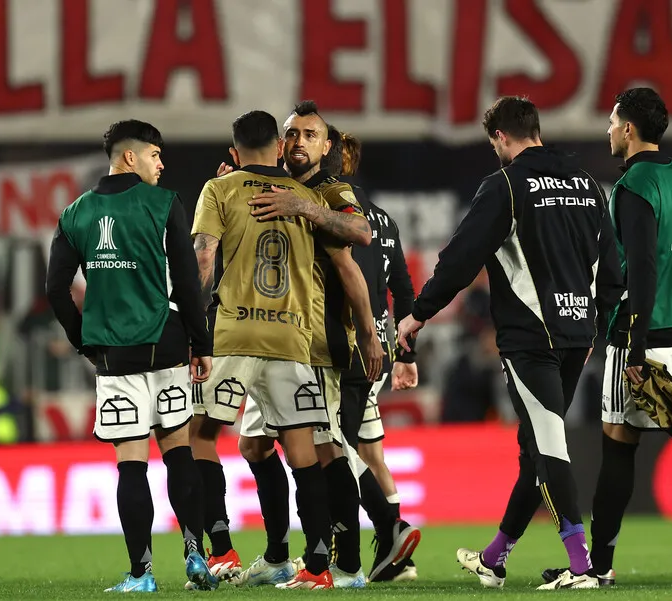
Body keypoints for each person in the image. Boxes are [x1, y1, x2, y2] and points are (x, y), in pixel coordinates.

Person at [397, 96, 623, 591]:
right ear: (535, 129)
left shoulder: (505, 185)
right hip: (576, 333)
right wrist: (598, 328)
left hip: (529, 336)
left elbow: (460, 259)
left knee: (547, 441)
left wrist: (418, 314)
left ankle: (582, 568)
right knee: (536, 447)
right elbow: (612, 266)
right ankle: (495, 558)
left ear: (500, 137)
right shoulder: (587, 185)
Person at [543, 87, 672, 587]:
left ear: (630, 130)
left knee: (619, 443)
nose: (609, 131)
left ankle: (598, 567)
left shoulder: (633, 186)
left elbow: (641, 267)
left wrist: (635, 347)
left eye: (613, 123)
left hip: (646, 334)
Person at [191, 109, 374, 590]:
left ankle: (225, 550)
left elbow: (205, 255)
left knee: (202, 436)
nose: (297, 141)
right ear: (277, 146)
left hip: (243, 335)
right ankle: (307, 564)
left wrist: (192, 327)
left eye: (309, 134)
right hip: (294, 340)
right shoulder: (305, 195)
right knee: (291, 449)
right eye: (290, 133)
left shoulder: (316, 195)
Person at [46, 119, 215, 593]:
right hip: (167, 346)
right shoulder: (164, 204)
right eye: (155, 155)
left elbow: (56, 289)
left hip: (114, 357)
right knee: (179, 453)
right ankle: (194, 556)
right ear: (129, 157)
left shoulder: (75, 213)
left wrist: (84, 340)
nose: (162, 164)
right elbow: (186, 280)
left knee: (131, 464)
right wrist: (201, 345)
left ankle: (141, 575)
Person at [335, 131, 423, 583]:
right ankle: (399, 560)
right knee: (370, 451)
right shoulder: (383, 219)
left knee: (337, 449)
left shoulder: (335, 214)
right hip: (382, 350)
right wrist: (407, 355)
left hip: (347, 351)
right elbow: (403, 290)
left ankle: (388, 533)